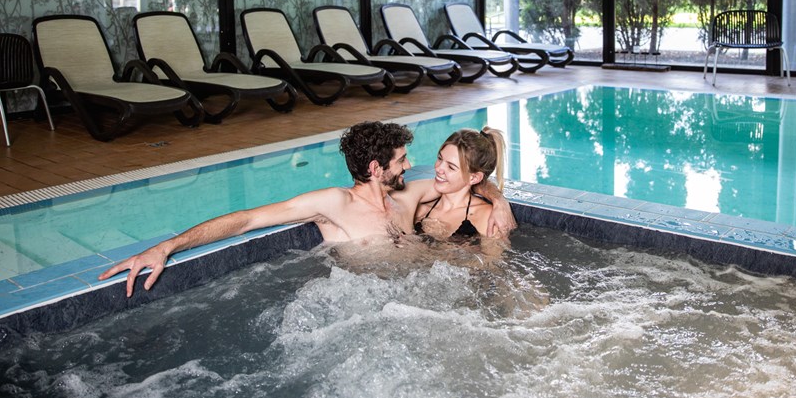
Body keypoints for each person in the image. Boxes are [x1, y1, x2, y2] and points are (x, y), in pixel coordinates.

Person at [99, 121, 515, 297]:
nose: (411, 165)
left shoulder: (407, 197)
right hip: (364, 302)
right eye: (402, 160)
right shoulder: (334, 204)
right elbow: (247, 219)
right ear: (376, 169)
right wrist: (167, 246)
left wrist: (497, 200)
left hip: (425, 291)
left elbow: (469, 179)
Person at [395, 126, 507, 242]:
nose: (438, 168)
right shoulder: (420, 211)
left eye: (451, 167)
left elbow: (495, 254)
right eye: (440, 158)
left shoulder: (488, 218)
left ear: (473, 178)